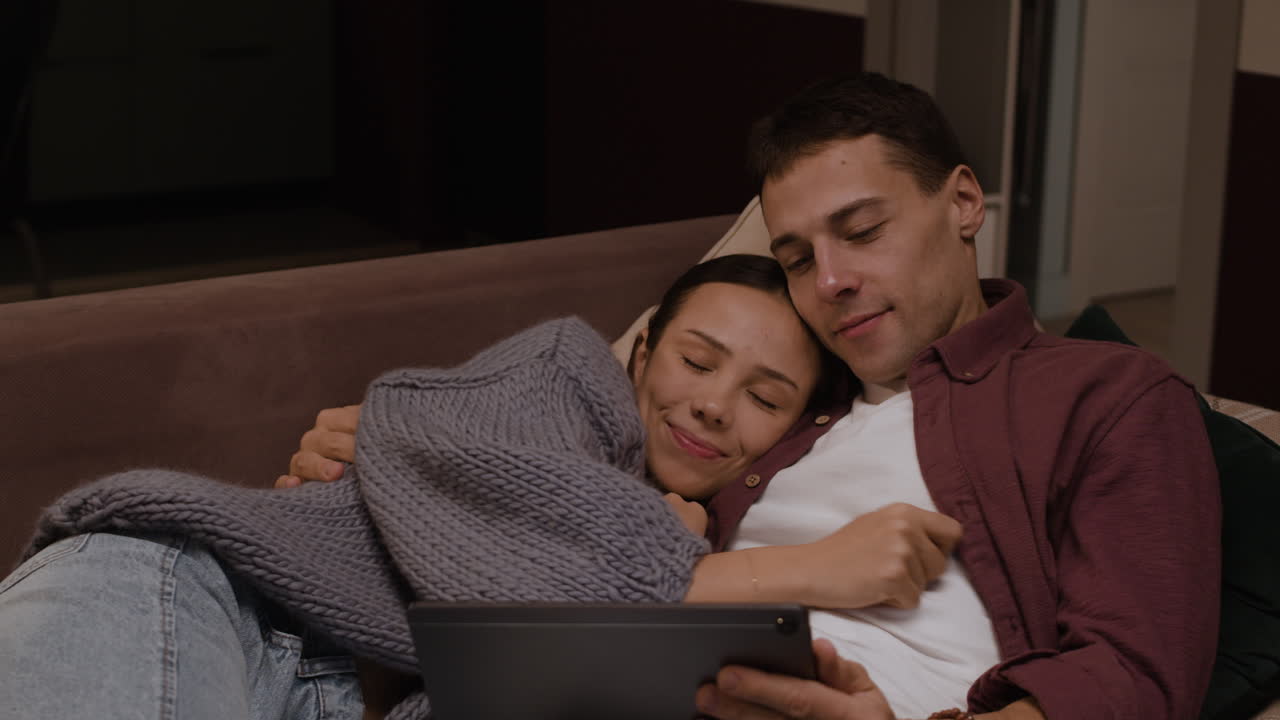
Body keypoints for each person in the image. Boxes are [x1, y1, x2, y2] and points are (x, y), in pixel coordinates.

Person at [291, 74, 1222, 720]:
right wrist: (388, 461)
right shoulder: (779, 412)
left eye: (862, 231)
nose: (832, 281)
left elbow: (1138, 672)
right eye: (797, 256)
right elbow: (554, 511)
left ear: (965, 202)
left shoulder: (1107, 396)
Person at [0, 253, 962, 720]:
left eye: (763, 395)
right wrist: (816, 571)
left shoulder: (694, 527)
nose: (712, 407)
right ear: (640, 358)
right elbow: (511, 565)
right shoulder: (559, 377)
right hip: (205, 601)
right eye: (696, 361)